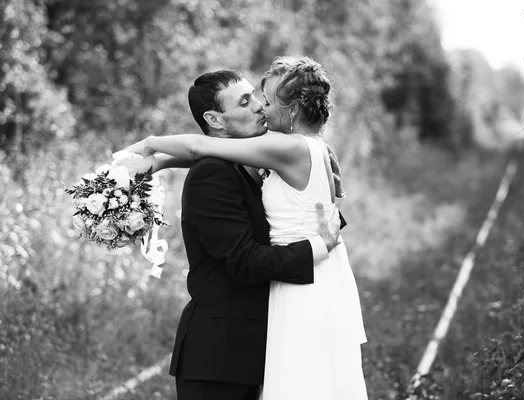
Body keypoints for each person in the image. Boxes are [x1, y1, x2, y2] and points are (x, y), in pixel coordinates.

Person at [124, 56, 367, 400]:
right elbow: (202, 154)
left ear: (293, 109)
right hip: (221, 353)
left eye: (261, 99)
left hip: (285, 307)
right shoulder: (227, 168)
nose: (259, 109)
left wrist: (153, 149)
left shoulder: (276, 153)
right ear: (214, 119)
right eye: (248, 101)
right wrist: (154, 158)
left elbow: (203, 148)